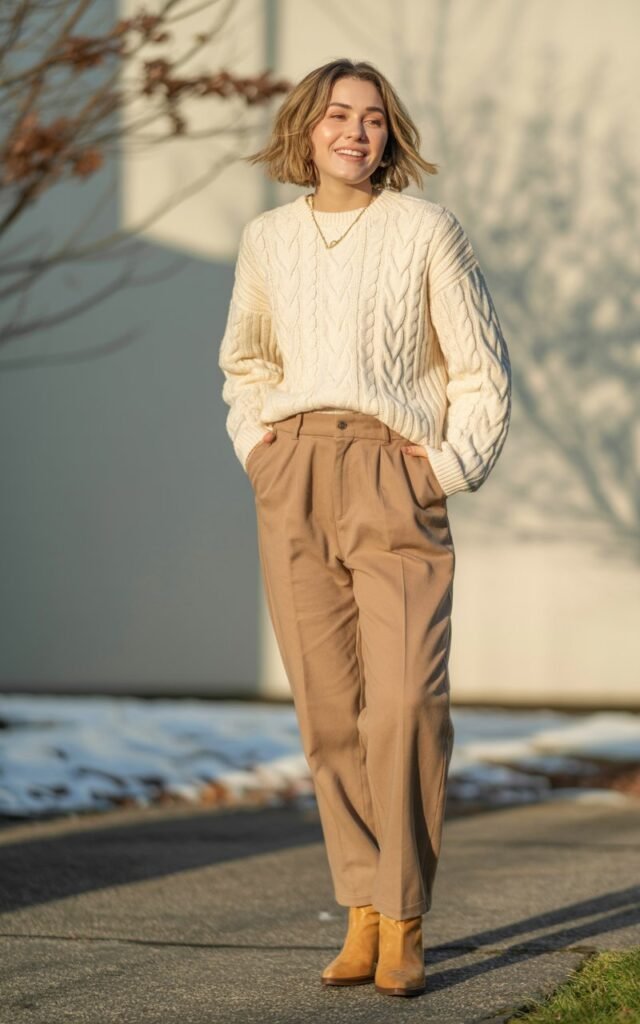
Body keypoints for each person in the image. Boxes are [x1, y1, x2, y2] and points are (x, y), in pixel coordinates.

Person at [218, 58, 512, 998]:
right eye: (339, 115)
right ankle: (362, 910)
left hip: (394, 473)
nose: (356, 131)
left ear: (390, 137)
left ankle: (407, 910)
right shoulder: (267, 239)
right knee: (327, 712)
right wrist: (260, 450)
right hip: (294, 470)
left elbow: (481, 372)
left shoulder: (428, 230)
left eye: (374, 119)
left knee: (407, 705)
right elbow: (245, 360)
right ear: (307, 128)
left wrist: (442, 468)